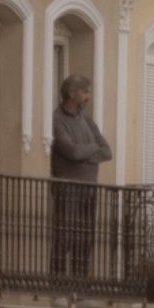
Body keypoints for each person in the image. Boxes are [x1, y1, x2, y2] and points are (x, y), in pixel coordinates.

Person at [48, 73, 109, 280]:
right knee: (64, 235)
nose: (88, 97)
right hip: (67, 189)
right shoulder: (57, 120)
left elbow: (107, 151)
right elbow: (70, 151)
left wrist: (83, 154)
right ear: (71, 93)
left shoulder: (89, 123)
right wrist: (92, 150)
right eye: (85, 92)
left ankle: (80, 283)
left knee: (85, 238)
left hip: (89, 191)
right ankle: (57, 283)